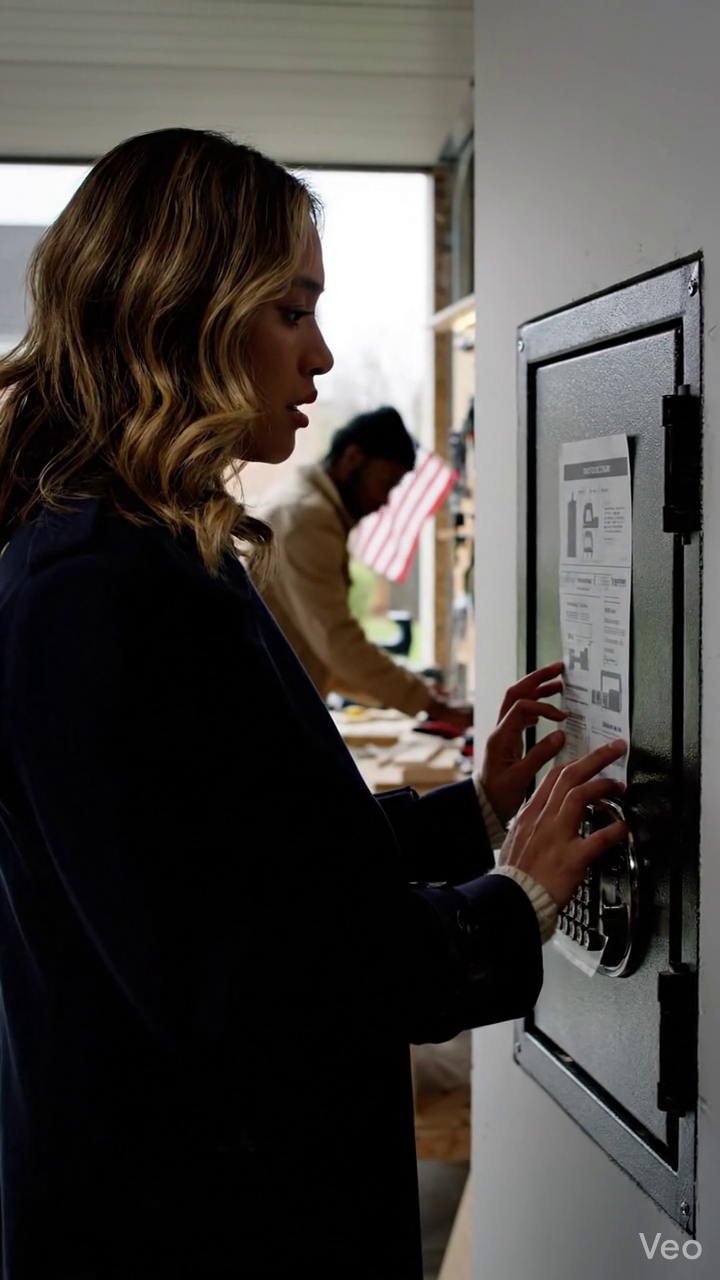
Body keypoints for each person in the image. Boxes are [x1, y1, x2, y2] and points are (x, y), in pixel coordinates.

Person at [0, 127, 627, 1280]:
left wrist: (475, 807)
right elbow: (245, 981)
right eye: (291, 310)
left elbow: (253, 853)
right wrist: (515, 900)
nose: (323, 355)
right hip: (191, 1226)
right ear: (178, 310)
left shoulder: (152, 548)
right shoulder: (91, 585)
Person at [256, 406, 472, 727]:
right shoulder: (306, 519)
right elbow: (338, 643)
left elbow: (325, 655)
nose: (385, 501)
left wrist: (419, 691)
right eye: (385, 483)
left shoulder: (310, 509)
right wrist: (430, 703)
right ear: (353, 458)